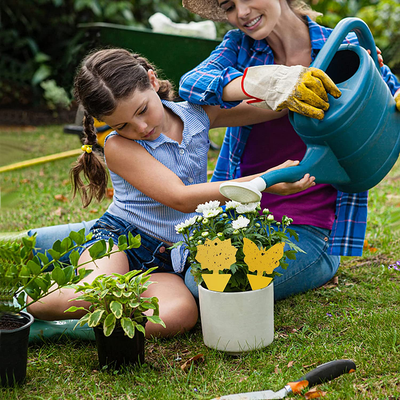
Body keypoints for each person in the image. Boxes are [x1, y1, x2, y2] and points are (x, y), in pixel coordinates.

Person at [27, 48, 320, 338]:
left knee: (181, 315)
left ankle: (75, 328)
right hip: (121, 241)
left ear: (152, 81)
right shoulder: (119, 146)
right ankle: (24, 305)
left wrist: (294, 92)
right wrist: (265, 181)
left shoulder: (197, 114)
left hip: (172, 258)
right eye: (122, 125)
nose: (141, 127)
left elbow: (265, 110)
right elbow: (180, 198)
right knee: (95, 293)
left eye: (142, 110)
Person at [179, 0, 400, 300]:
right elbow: (191, 85)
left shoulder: (342, 45)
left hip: (308, 227)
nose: (242, 12)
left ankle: (319, 263)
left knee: (214, 288)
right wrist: (266, 83)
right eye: (229, 5)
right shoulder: (240, 48)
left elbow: (390, 93)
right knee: (199, 280)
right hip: (243, 216)